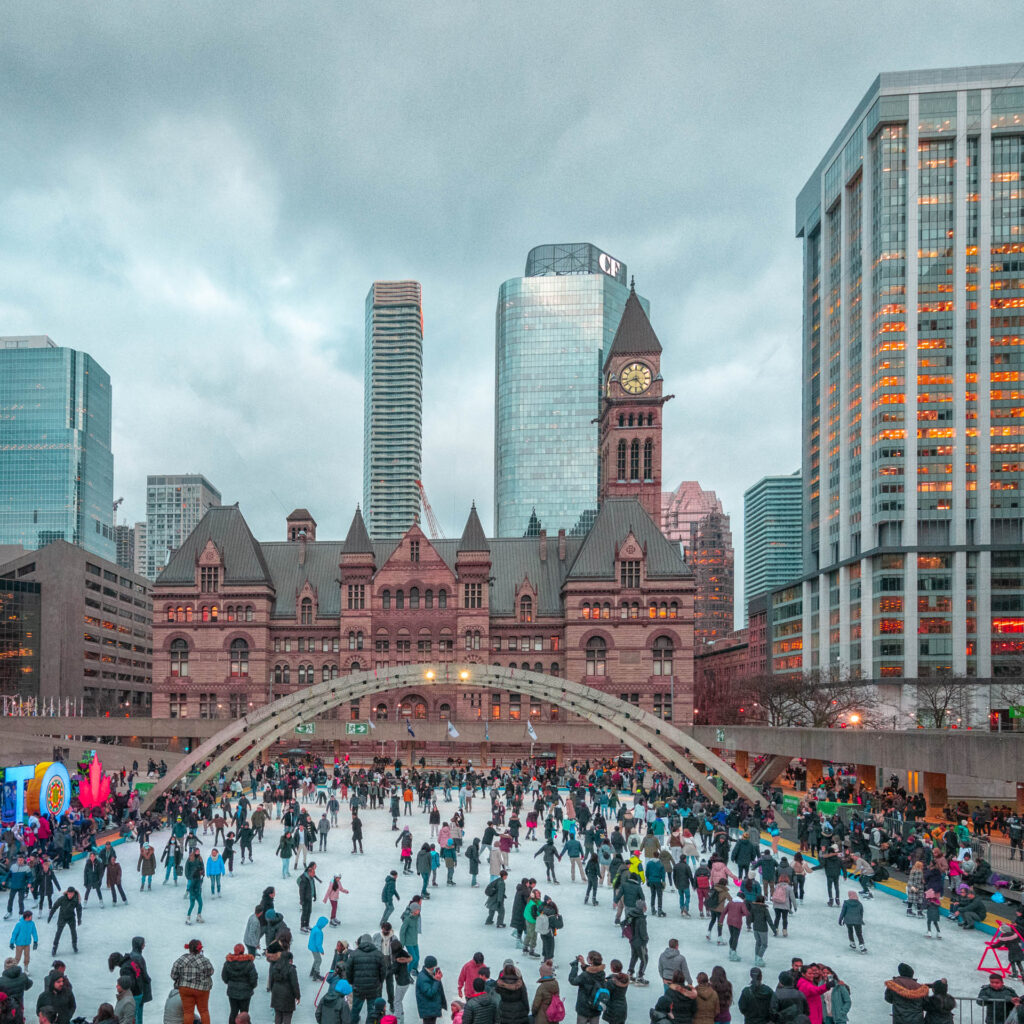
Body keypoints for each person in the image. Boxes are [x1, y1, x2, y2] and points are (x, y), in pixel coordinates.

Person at [169, 938, 214, 1024]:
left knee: (188, 1012)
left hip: (185, 988)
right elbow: (211, 972)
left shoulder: (181, 959)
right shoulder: (204, 960)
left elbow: (173, 975)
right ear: (200, 949)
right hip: (202, 989)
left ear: (189, 948)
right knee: (204, 1011)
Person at [347, 933, 387, 1024]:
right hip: (373, 988)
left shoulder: (354, 954)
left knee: (355, 1009)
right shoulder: (378, 954)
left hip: (358, 988)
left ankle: (353, 1021)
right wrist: (379, 981)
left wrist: (351, 981)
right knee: (372, 1011)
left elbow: (348, 970)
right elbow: (383, 971)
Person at [221, 944, 258, 1024]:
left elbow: (224, 977)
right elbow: (253, 978)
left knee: (233, 1012)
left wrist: (230, 983)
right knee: (244, 1013)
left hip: (232, 991)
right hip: (245, 992)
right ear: (243, 951)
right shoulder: (249, 963)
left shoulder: (228, 963)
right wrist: (251, 986)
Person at [568, 951, 605, 1024]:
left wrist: (574, 967)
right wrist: (583, 964)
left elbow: (573, 981)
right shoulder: (602, 973)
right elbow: (593, 971)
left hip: (584, 1008)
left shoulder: (585, 975)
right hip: (595, 1006)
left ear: (591, 961)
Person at [269, 950, 301, 1024]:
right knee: (287, 1015)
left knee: (278, 1014)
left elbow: (271, 981)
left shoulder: (274, 967)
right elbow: (295, 984)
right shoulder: (291, 969)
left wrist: (272, 990)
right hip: (288, 995)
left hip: (276, 993)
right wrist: (298, 996)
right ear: (290, 959)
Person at [47, 889, 81, 956]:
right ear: (67, 893)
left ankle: (74, 945)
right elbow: (55, 906)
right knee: (58, 932)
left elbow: (79, 910)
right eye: (69, 894)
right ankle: (54, 947)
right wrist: (50, 916)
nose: (70, 895)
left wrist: (79, 919)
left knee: (73, 931)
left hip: (71, 918)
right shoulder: (62, 899)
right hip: (62, 917)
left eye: (72, 894)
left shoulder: (75, 900)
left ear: (74, 894)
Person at [414, 956, 446, 1024]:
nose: (436, 967)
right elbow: (429, 993)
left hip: (431, 1008)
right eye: (435, 966)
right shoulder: (422, 978)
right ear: (431, 966)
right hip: (427, 1010)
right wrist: (437, 980)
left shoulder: (430, 973)